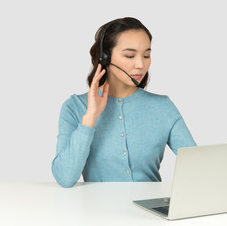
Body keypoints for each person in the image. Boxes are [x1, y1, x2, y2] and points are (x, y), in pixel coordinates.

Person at [52, 17, 196, 188]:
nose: (140, 64)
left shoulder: (163, 107)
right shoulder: (74, 107)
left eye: (146, 55)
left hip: (149, 211)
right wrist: (90, 117)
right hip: (96, 212)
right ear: (105, 57)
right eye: (130, 55)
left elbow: (199, 166)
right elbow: (64, 178)